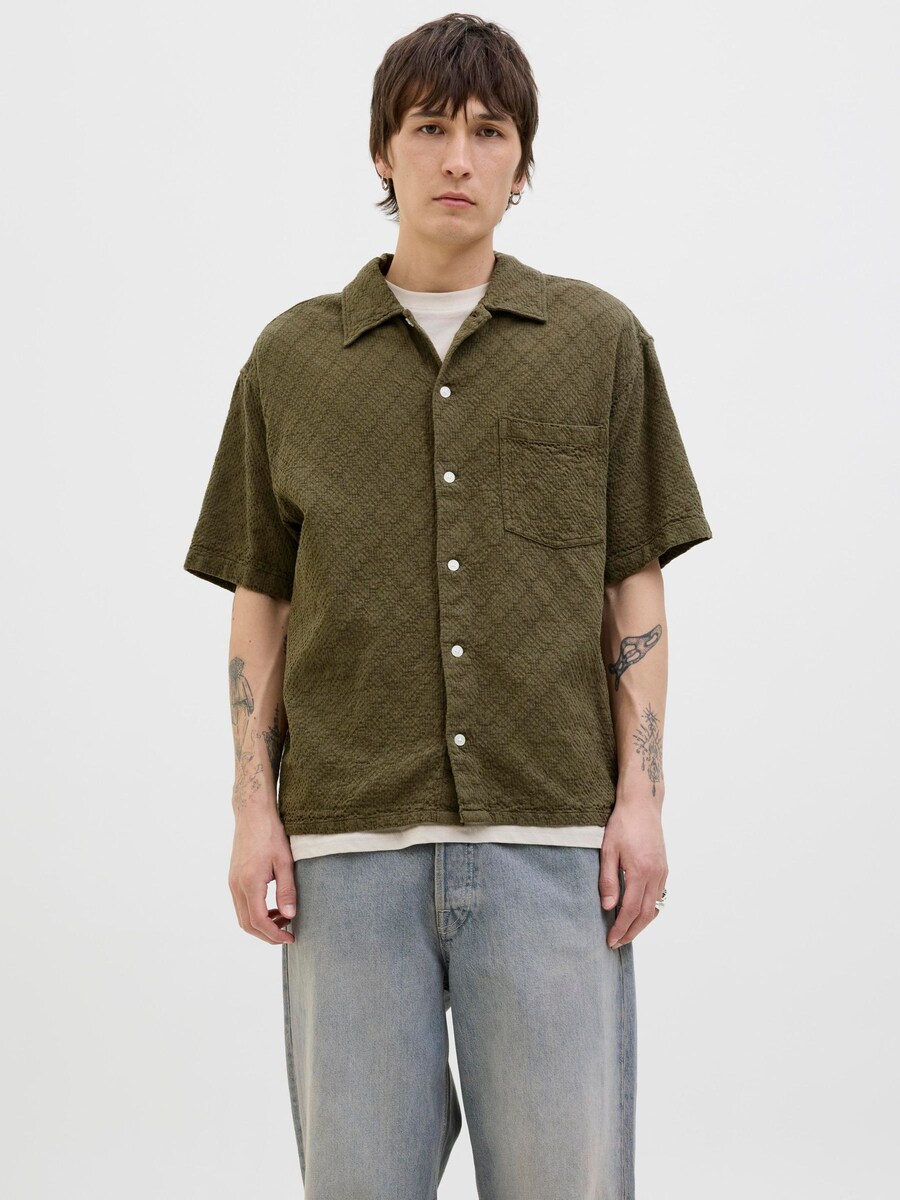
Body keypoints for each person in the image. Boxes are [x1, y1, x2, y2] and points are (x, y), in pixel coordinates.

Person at [183, 12, 712, 1198]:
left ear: (523, 158)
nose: (458, 158)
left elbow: (634, 584)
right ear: (383, 152)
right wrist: (252, 809)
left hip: (552, 847)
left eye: (488, 130)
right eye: (429, 129)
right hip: (346, 855)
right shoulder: (292, 361)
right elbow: (261, 601)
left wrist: (643, 801)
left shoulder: (598, 343)